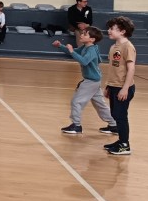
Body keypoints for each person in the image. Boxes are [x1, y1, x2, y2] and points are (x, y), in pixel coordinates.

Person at [54, 26, 117, 134]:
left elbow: (84, 61)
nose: (82, 35)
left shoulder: (91, 50)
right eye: (82, 33)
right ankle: (114, 125)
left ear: (92, 39)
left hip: (91, 81)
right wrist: (61, 46)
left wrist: (72, 51)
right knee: (100, 104)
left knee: (76, 102)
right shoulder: (85, 47)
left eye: (85, 34)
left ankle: (76, 125)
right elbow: (73, 51)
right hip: (94, 81)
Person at [103, 16, 136, 156]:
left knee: (121, 116)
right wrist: (108, 86)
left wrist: (125, 88)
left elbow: (131, 69)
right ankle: (120, 140)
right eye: (109, 28)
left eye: (112, 29)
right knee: (115, 114)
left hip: (123, 87)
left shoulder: (127, 47)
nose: (109, 31)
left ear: (122, 31)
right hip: (114, 86)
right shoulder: (113, 46)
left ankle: (125, 144)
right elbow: (113, 68)